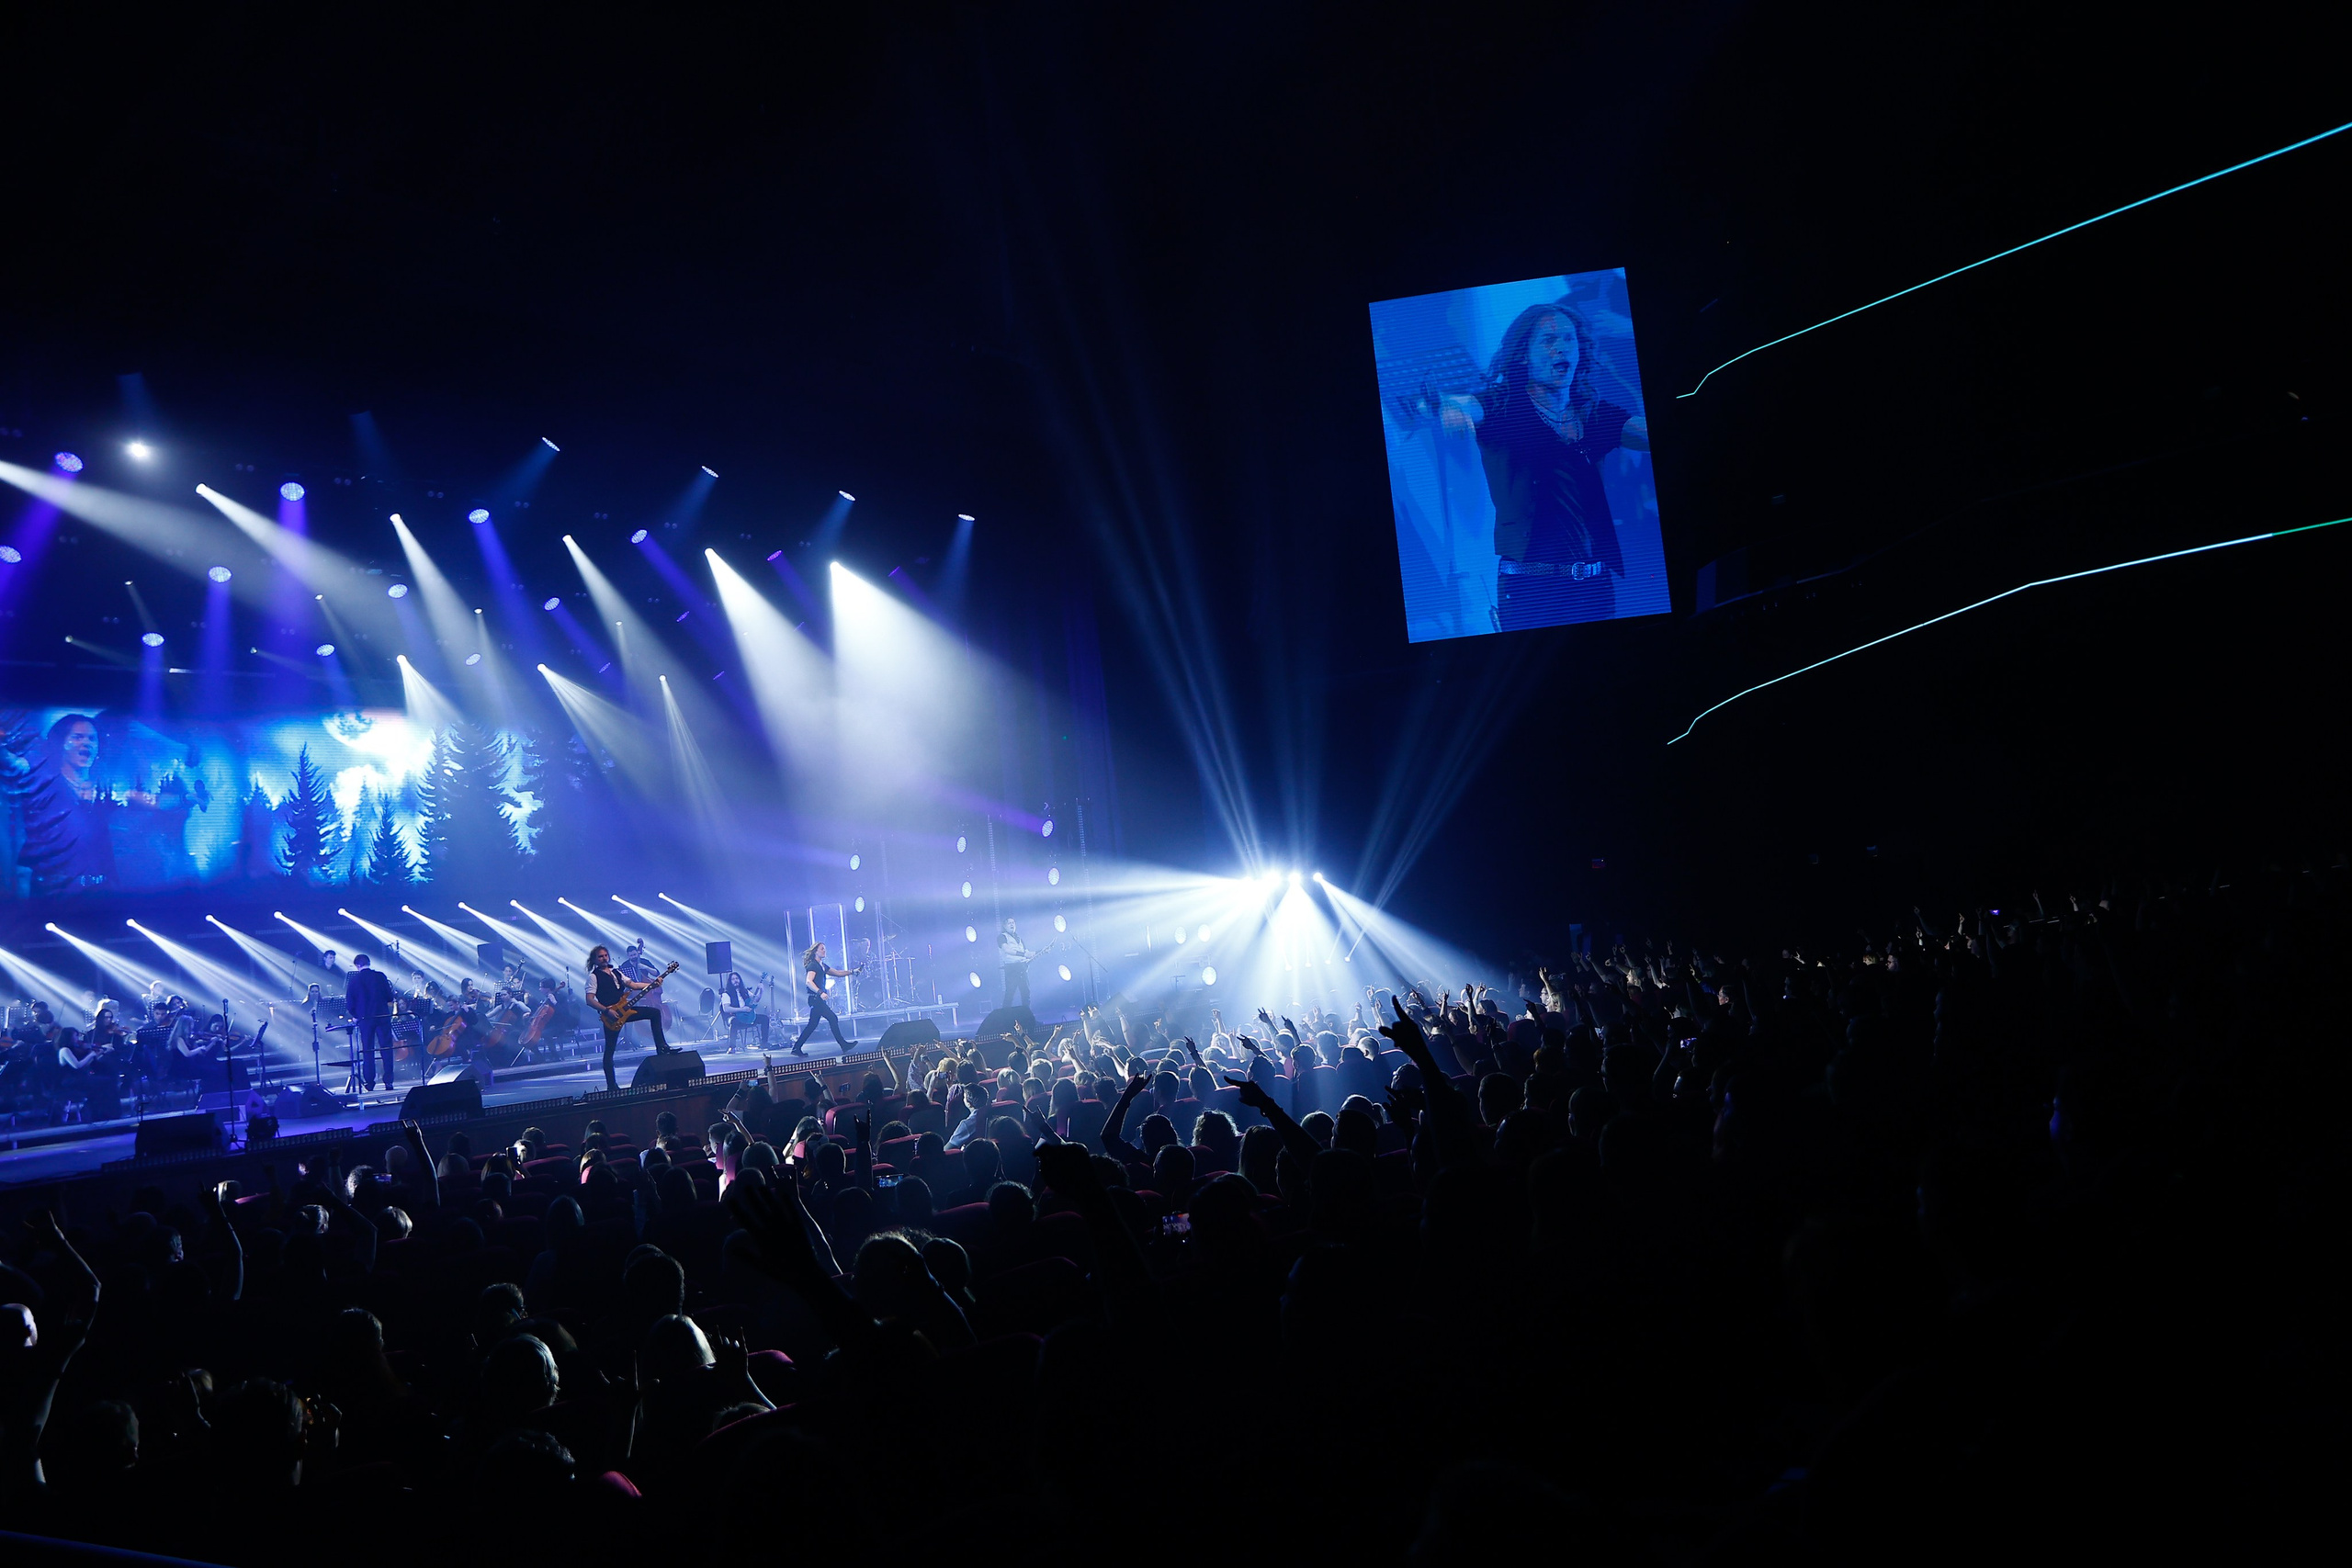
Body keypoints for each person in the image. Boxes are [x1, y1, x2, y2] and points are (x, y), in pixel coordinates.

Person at [1453, 299, 1649, 632]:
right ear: (1523, 354)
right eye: (1548, 340)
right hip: (1530, 590)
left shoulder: (1594, 414)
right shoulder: (1503, 407)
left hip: (1595, 586)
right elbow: (1468, 406)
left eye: (1570, 339)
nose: (1562, 349)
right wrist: (1452, 409)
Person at [590, 944, 673, 1092]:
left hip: (625, 1010)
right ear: (595, 960)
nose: (604, 958)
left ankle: (662, 1047)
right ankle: (612, 1085)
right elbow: (589, 1000)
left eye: (605, 955)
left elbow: (633, 985)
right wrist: (606, 1011)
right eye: (600, 956)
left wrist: (652, 984)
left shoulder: (616, 972)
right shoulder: (593, 977)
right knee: (610, 1051)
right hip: (611, 1016)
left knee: (654, 1013)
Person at [789, 942, 858, 1057]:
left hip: (817, 1000)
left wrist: (852, 971)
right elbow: (808, 981)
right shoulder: (813, 965)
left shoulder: (822, 965)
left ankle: (797, 1047)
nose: (824, 951)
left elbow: (837, 973)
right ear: (816, 951)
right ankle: (843, 1044)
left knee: (813, 1024)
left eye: (825, 949)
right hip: (815, 999)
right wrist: (820, 992)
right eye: (822, 949)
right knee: (831, 1018)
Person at [345, 953, 395, 1093]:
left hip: (365, 1020)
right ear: (369, 962)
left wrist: (356, 1016)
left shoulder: (354, 980)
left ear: (357, 965)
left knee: (368, 1050)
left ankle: (370, 1082)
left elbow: (350, 1004)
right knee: (386, 1049)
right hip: (382, 1017)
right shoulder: (380, 976)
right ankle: (389, 1082)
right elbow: (390, 997)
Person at [720, 971, 767, 1048]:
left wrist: (761, 990)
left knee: (764, 1019)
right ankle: (732, 1047)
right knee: (734, 1022)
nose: (736, 980)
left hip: (747, 1016)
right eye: (733, 979)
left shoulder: (745, 991)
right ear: (730, 982)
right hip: (734, 1016)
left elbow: (756, 999)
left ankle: (764, 1043)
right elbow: (726, 1009)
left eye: (737, 978)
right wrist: (741, 1009)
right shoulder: (726, 994)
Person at [997, 917, 1033, 1010]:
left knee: (1026, 993)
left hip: (1021, 968)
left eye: (1013, 922)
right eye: (1009, 923)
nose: (1012, 924)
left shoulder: (1019, 938)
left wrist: (1040, 951)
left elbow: (1027, 953)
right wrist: (1024, 954)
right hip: (1011, 968)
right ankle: (1004, 1018)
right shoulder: (1002, 937)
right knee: (1010, 994)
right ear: (1004, 926)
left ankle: (1027, 1016)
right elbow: (1007, 950)